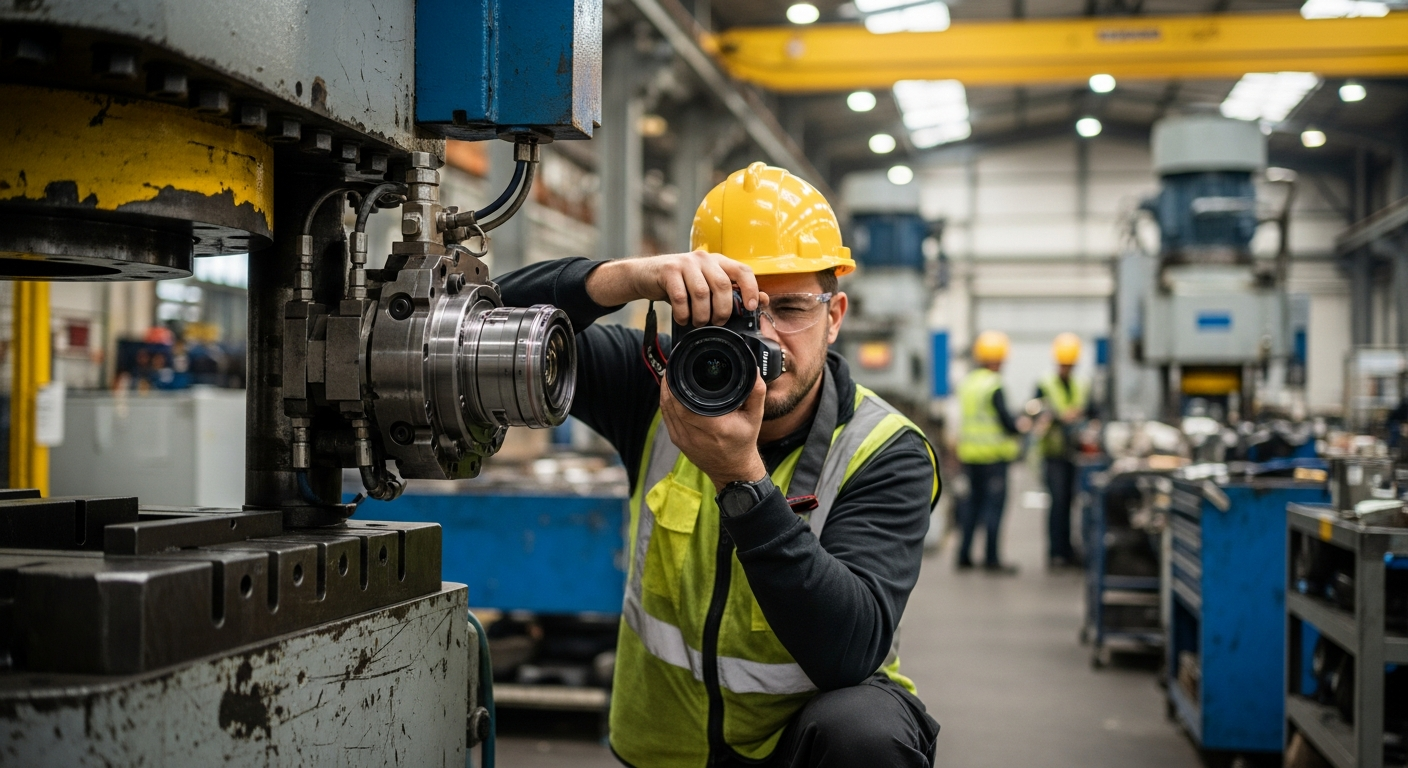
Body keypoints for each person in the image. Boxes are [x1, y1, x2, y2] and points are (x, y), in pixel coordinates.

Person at [496, 162, 942, 768]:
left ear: (834, 317)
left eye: (789, 308)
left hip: (792, 753)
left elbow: (851, 650)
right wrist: (621, 277)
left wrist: (743, 481)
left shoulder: (883, 449)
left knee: (868, 732)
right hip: (665, 752)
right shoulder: (651, 384)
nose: (763, 336)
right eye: (735, 308)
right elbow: (490, 322)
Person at [954, 330, 1023, 573]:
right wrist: (1021, 427)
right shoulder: (994, 385)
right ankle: (991, 559)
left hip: (970, 456)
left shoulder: (970, 383)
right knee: (994, 508)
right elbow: (1007, 422)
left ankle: (964, 555)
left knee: (972, 506)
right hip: (993, 458)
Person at [1035, 332, 1090, 569]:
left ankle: (1068, 551)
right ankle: (1056, 553)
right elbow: (1036, 411)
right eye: (1063, 364)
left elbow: (1092, 410)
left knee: (1070, 502)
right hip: (1053, 452)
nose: (1066, 368)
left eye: (1070, 364)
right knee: (1057, 503)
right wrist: (1059, 417)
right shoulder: (1045, 384)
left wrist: (1082, 417)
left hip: (1075, 452)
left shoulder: (1081, 385)